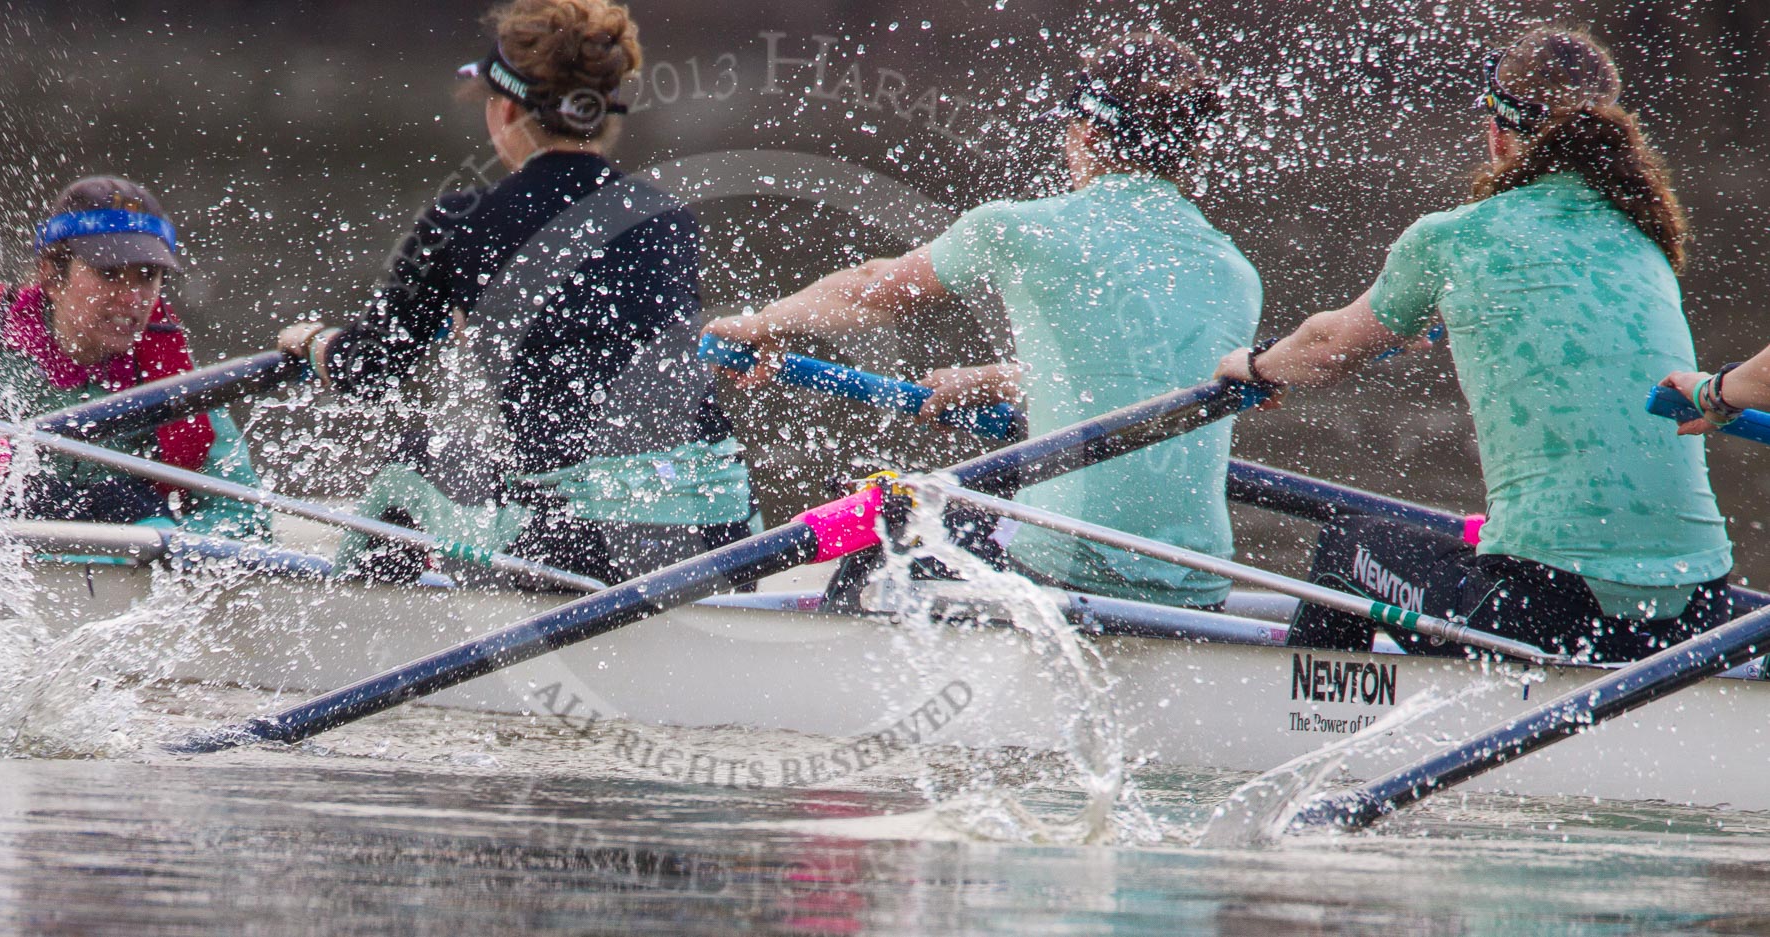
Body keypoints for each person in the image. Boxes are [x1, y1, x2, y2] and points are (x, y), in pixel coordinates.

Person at [1215, 27, 1730, 662]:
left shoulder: (1455, 238)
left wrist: (1257, 366)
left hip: (1553, 605)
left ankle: (1311, 726)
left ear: (1497, 131)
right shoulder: (1644, 238)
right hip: (1702, 605)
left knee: (1345, 545)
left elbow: (1326, 346)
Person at [704, 31, 1260, 610]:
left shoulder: (1024, 228)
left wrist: (760, 325)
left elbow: (871, 292)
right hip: (1200, 584)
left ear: (1085, 134)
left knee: (901, 528)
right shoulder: (1236, 272)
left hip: (1067, 569)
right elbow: (1134, 376)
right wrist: (993, 380)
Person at [276, 0, 752, 587]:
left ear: (502, 109)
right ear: (605, 118)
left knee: (415, 452)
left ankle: (366, 622)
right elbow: (598, 328)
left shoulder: (462, 218)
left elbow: (371, 369)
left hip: (584, 546)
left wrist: (313, 341)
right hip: (724, 535)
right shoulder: (667, 217)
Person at [0, 175, 269, 540]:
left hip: (129, 549)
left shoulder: (168, 371)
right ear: (52, 275)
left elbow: (246, 518)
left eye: (147, 274)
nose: (133, 298)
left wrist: (169, 545)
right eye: (110, 273)